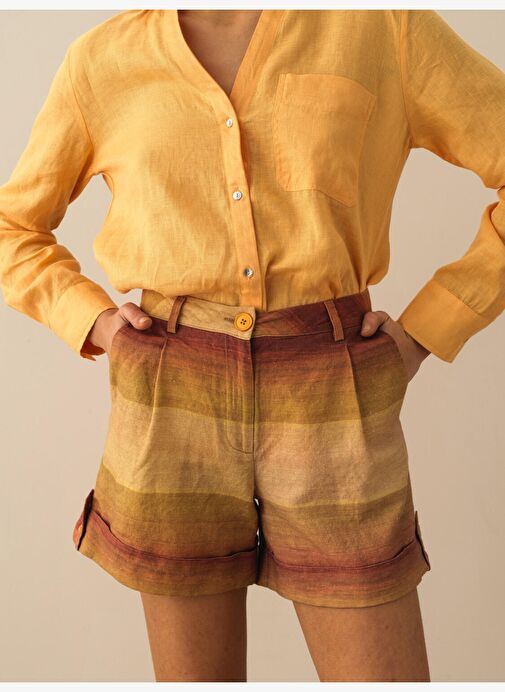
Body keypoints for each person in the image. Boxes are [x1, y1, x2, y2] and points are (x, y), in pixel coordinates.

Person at [0, 8, 504, 683]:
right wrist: (92, 322)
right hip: (170, 396)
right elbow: (13, 227)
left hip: (332, 390)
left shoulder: (383, 29)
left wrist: (427, 329)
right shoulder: (101, 60)